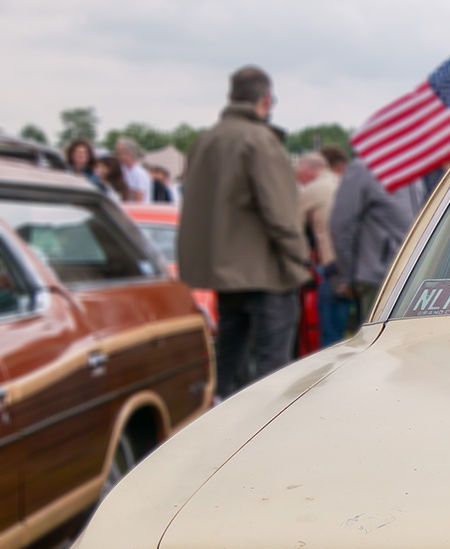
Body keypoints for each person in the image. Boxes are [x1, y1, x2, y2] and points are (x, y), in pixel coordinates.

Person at [178, 64, 311, 399]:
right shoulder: (259, 141)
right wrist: (299, 259)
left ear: (230, 97)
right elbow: (280, 212)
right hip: (266, 274)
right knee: (273, 374)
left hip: (225, 273)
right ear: (266, 100)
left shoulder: (205, 141)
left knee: (229, 363)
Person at [329, 153, 425, 326]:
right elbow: (341, 225)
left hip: (414, 276)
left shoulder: (412, 166)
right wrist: (349, 275)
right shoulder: (363, 168)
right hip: (379, 278)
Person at [296, 151, 349, 346]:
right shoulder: (343, 182)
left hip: (333, 266)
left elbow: (294, 230)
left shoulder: (312, 190)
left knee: (330, 334)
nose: (301, 182)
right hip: (358, 266)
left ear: (309, 172)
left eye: (300, 177)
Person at [114, 138, 151, 203]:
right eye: (117, 152)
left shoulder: (139, 173)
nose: (118, 155)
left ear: (131, 153)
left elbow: (138, 200)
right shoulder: (123, 170)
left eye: (121, 152)